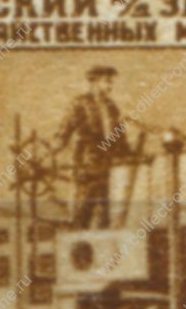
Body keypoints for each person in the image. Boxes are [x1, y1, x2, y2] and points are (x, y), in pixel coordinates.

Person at [51, 64, 137, 229]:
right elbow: (65, 129)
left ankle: (102, 243)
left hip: (106, 165)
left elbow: (119, 135)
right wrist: (55, 147)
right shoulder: (80, 103)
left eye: (111, 82)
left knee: (104, 211)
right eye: (107, 81)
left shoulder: (111, 106)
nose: (110, 86)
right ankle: (78, 240)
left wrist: (128, 153)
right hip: (86, 164)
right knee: (83, 209)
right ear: (94, 82)